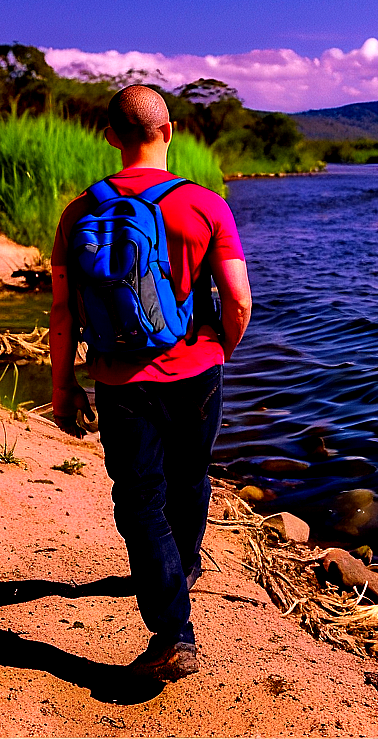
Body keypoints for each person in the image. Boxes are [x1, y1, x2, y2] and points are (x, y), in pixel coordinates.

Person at [49, 85, 251, 681]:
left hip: (118, 377)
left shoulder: (79, 211)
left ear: (111, 136)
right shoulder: (208, 205)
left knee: (139, 500)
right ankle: (180, 576)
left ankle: (170, 629)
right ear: (170, 130)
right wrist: (219, 352)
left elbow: (64, 312)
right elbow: (238, 299)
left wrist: (64, 386)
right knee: (190, 480)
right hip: (197, 371)